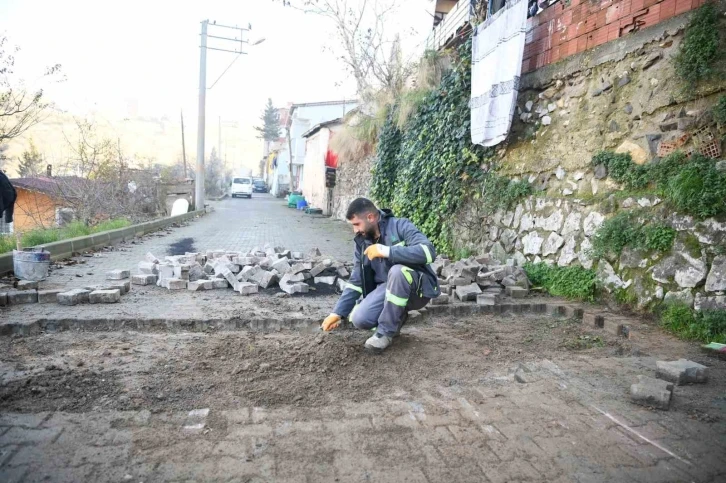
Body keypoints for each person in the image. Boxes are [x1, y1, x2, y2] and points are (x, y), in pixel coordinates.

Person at [321, 198, 440, 352]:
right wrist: (337, 312)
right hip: (388, 289)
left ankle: (385, 332)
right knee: (359, 319)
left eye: (357, 224)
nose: (355, 230)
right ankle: (397, 317)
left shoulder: (400, 225)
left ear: (370, 217)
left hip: (417, 290)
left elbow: (428, 252)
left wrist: (386, 251)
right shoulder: (362, 242)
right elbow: (356, 281)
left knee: (397, 272)